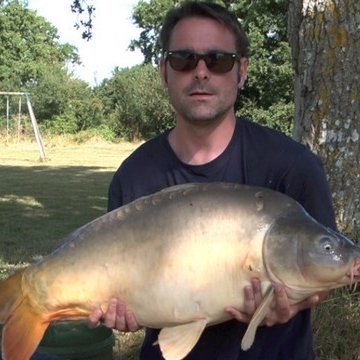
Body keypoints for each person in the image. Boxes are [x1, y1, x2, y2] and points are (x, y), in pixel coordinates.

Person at [88, 1, 336, 359]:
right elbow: (122, 294)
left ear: (241, 71)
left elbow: (325, 266)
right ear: (164, 72)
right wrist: (122, 311)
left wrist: (292, 304)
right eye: (183, 60)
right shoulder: (135, 175)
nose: (201, 72)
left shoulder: (294, 166)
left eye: (218, 60)